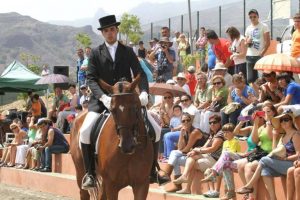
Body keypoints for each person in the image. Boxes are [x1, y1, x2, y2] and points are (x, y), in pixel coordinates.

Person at [79, 15, 164, 190]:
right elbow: (91, 79)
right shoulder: (95, 53)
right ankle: (90, 173)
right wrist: (103, 97)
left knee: (155, 129)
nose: (109, 33)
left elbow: (140, 73)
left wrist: (145, 93)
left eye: (112, 30)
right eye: (106, 31)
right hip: (102, 100)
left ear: (116, 30)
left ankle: (153, 170)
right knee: (85, 132)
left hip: (127, 100)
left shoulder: (128, 51)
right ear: (102, 33)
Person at [245, 9, 270, 84]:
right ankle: (253, 95)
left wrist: (262, 53)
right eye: (250, 17)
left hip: (259, 56)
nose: (252, 18)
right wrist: (247, 42)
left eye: (254, 17)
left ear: (258, 16)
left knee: (261, 79)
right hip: (249, 56)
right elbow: (246, 44)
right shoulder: (248, 28)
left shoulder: (263, 26)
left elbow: (268, 42)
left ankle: (262, 94)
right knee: (250, 79)